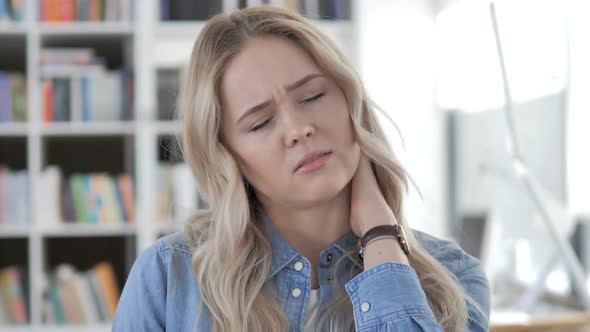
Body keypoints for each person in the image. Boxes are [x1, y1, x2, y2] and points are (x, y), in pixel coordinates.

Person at [112, 5, 490, 332]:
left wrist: (380, 237)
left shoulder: (452, 278)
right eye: (260, 123)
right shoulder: (168, 277)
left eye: (313, 96)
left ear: (351, 100)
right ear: (227, 155)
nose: (297, 129)